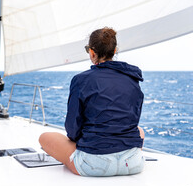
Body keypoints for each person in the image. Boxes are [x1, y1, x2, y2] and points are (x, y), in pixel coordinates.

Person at [39, 27, 145, 176]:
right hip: (133, 163)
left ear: (92, 52)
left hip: (94, 164)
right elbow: (134, 119)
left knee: (44, 138)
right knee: (140, 130)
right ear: (114, 51)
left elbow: (72, 130)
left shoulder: (81, 80)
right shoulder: (133, 79)